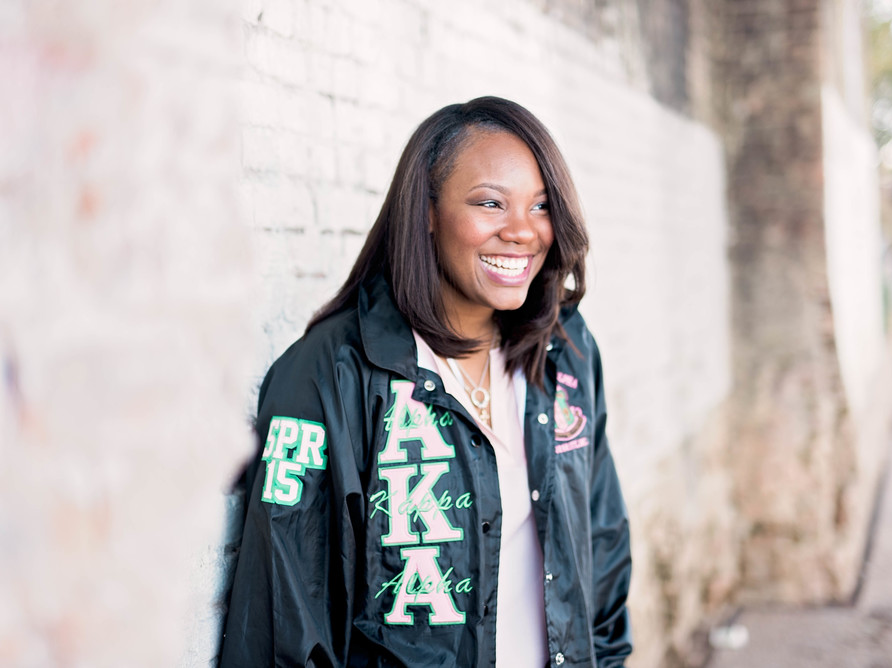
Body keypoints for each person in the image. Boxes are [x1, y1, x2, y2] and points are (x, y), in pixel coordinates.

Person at [219, 96, 632, 667]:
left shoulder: (563, 350)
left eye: (541, 206)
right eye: (491, 203)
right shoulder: (327, 376)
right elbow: (281, 624)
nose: (524, 232)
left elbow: (603, 549)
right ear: (428, 211)